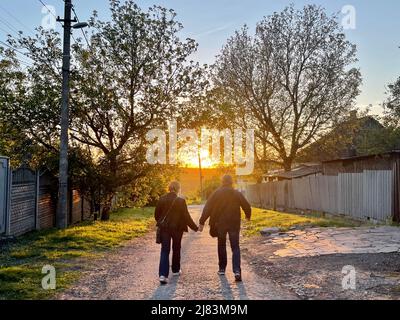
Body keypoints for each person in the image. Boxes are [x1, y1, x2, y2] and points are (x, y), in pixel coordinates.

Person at [198, 175, 251, 282]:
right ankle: (237, 271)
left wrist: (201, 222)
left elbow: (207, 207)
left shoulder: (216, 193)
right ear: (232, 182)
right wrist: (247, 216)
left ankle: (222, 268)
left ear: (222, 182)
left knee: (221, 244)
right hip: (234, 223)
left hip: (220, 224)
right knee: (235, 246)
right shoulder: (236, 193)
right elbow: (246, 205)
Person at [154, 181, 198, 284]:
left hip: (165, 228)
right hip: (178, 229)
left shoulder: (162, 199)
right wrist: (195, 228)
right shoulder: (181, 201)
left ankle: (162, 275)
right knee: (176, 248)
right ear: (178, 189)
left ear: (169, 188)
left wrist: (162, 223)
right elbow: (186, 217)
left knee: (165, 250)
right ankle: (175, 270)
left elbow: (157, 215)